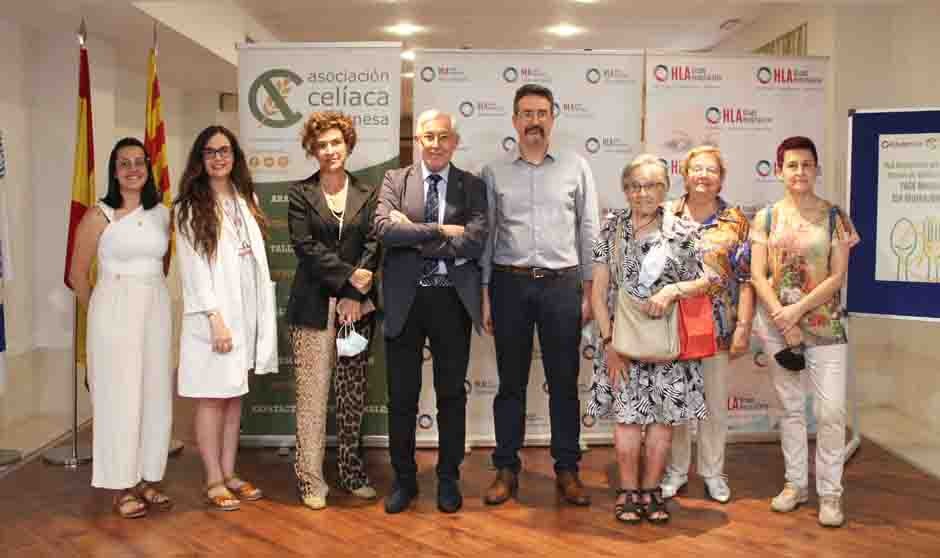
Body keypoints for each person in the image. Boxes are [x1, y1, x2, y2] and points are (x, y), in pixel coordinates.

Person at [480, 83, 599, 506]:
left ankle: (567, 468)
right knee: (509, 384)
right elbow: (487, 235)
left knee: (564, 383)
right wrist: (485, 293)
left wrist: (590, 290)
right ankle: (506, 468)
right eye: (526, 113)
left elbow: (590, 232)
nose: (534, 121)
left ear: (553, 118)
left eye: (541, 113)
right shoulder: (494, 172)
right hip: (509, 283)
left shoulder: (576, 167)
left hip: (562, 285)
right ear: (514, 120)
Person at [374, 109, 488, 514]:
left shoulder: (471, 185)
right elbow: (385, 230)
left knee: (450, 395)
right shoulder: (395, 180)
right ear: (417, 141)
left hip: (450, 302)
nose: (435, 144)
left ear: (454, 141)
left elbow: (473, 243)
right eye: (428, 136)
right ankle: (403, 480)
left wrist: (413, 231)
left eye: (443, 136)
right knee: (401, 398)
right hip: (405, 300)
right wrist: (441, 230)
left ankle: (447, 478)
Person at [589, 154, 713, 524]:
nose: (643, 193)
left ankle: (651, 491)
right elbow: (597, 294)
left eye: (652, 185)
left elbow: (707, 280)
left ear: (665, 189)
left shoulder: (683, 231)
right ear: (625, 190)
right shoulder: (610, 231)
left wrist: (673, 289)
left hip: (668, 345)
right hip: (621, 343)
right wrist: (610, 343)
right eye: (635, 186)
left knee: (662, 423)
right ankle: (628, 491)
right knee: (626, 421)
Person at [750, 136, 853, 528]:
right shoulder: (767, 218)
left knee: (830, 413)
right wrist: (781, 314)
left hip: (825, 325)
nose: (799, 172)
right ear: (779, 171)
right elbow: (758, 275)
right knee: (790, 410)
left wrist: (797, 310)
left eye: (807, 164)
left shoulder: (834, 217)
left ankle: (831, 494)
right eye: (791, 165)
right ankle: (796, 485)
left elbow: (838, 275)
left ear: (816, 169)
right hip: (779, 328)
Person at [174, 125, 278, 511]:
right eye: (210, 152)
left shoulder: (244, 198)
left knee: (234, 398)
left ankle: (231, 472)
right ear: (200, 160)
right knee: (212, 399)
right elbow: (194, 271)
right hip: (214, 318)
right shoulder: (188, 207)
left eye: (225, 151)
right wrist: (216, 319)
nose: (218, 157)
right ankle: (213, 478)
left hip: (245, 314)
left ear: (234, 157)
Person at [70, 137, 172, 518]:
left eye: (139, 162)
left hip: (155, 308)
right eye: (123, 163)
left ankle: (146, 476)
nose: (133, 169)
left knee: (153, 392)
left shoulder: (161, 213)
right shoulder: (100, 215)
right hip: (114, 310)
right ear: (114, 172)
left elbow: (162, 264)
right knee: (119, 396)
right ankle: (120, 483)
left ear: (148, 167)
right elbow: (77, 274)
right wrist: (100, 311)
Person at [286, 111, 379, 510]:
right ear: (313, 149)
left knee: (351, 395)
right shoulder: (299, 194)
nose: (329, 150)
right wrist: (348, 282)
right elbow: (306, 249)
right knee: (311, 396)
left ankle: (351, 471)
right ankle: (309, 478)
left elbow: (375, 244)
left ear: (348, 144)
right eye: (321, 144)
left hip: (357, 310)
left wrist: (355, 296)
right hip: (312, 307)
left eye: (335, 142)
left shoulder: (368, 192)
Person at [660, 146, 754, 503]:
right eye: (696, 168)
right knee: (678, 401)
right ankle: (676, 471)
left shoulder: (735, 220)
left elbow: (746, 278)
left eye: (710, 170)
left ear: (721, 178)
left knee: (714, 403)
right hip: (674, 323)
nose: (702, 175)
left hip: (718, 326)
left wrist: (744, 325)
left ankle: (713, 473)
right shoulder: (665, 214)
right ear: (684, 174)